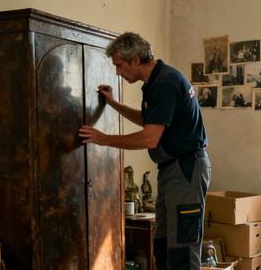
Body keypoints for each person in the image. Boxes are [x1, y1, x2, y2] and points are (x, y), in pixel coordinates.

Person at [78, 32, 210, 270]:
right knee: (163, 245)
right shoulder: (156, 81)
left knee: (182, 249)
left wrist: (103, 139)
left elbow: (150, 138)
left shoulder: (165, 83)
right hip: (172, 169)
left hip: (185, 168)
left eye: (120, 65)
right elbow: (150, 121)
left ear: (136, 59)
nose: (117, 72)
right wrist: (113, 104)